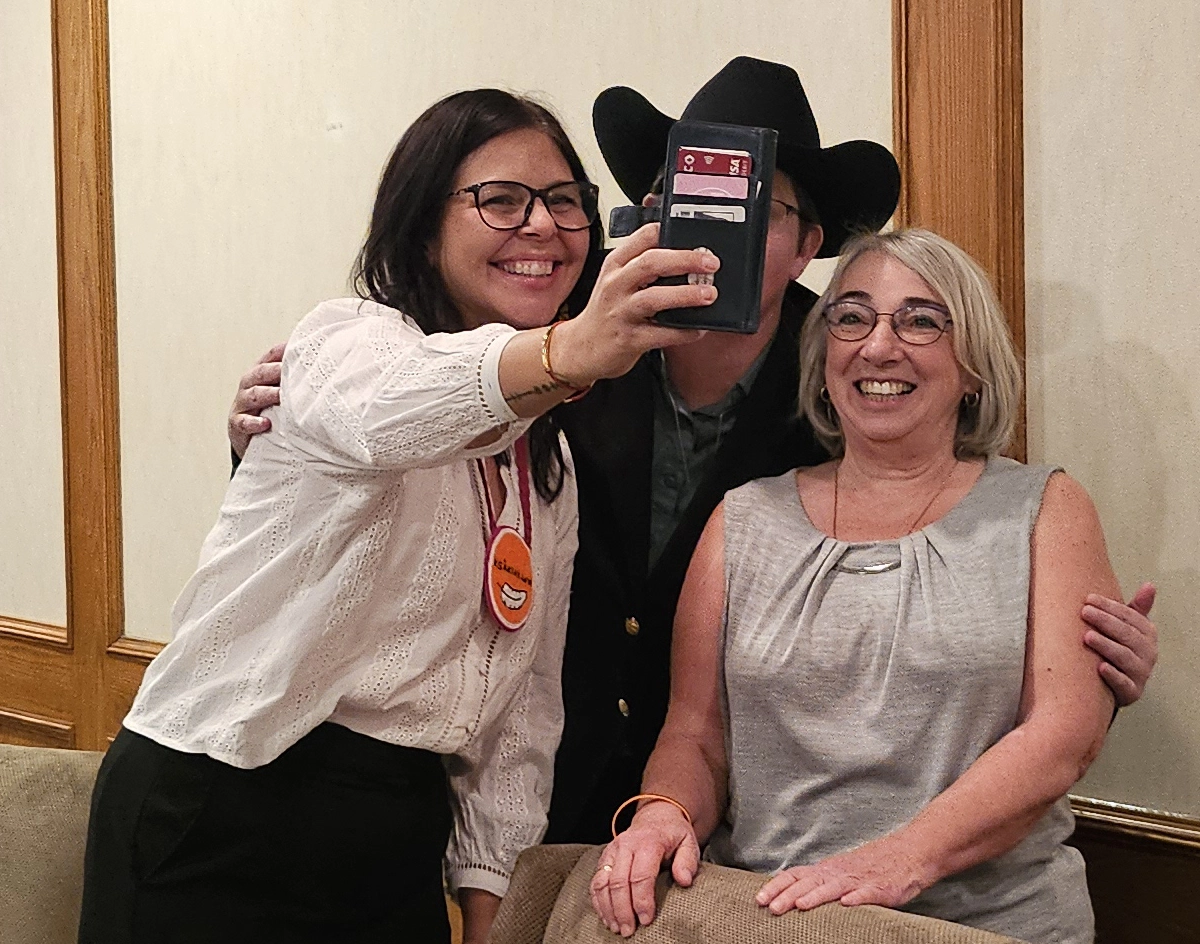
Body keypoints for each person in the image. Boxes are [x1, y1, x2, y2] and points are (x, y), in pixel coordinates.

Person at [226, 59, 1159, 846]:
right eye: (697, 200)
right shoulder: (563, 328)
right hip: (510, 792)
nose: (725, 230)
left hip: (735, 830)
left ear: (808, 245)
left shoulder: (855, 385)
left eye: (763, 209)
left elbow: (951, 580)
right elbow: (413, 431)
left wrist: (1084, 665)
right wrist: (276, 438)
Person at [78, 88, 718, 944]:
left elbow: (521, 709)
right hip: (219, 807)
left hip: (392, 836)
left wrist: (491, 898)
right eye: (500, 199)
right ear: (423, 222)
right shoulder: (342, 344)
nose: (543, 227)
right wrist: (572, 352)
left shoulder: (547, 461)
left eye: (565, 201)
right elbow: (394, 411)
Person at [590, 228, 1135, 944]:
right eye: (852, 316)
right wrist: (663, 812)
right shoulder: (743, 517)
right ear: (821, 362)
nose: (880, 346)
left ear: (973, 366)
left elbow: (1063, 734)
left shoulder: (1047, 508)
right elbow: (696, 735)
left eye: (921, 320)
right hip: (768, 921)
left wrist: (898, 863)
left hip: (982, 928)